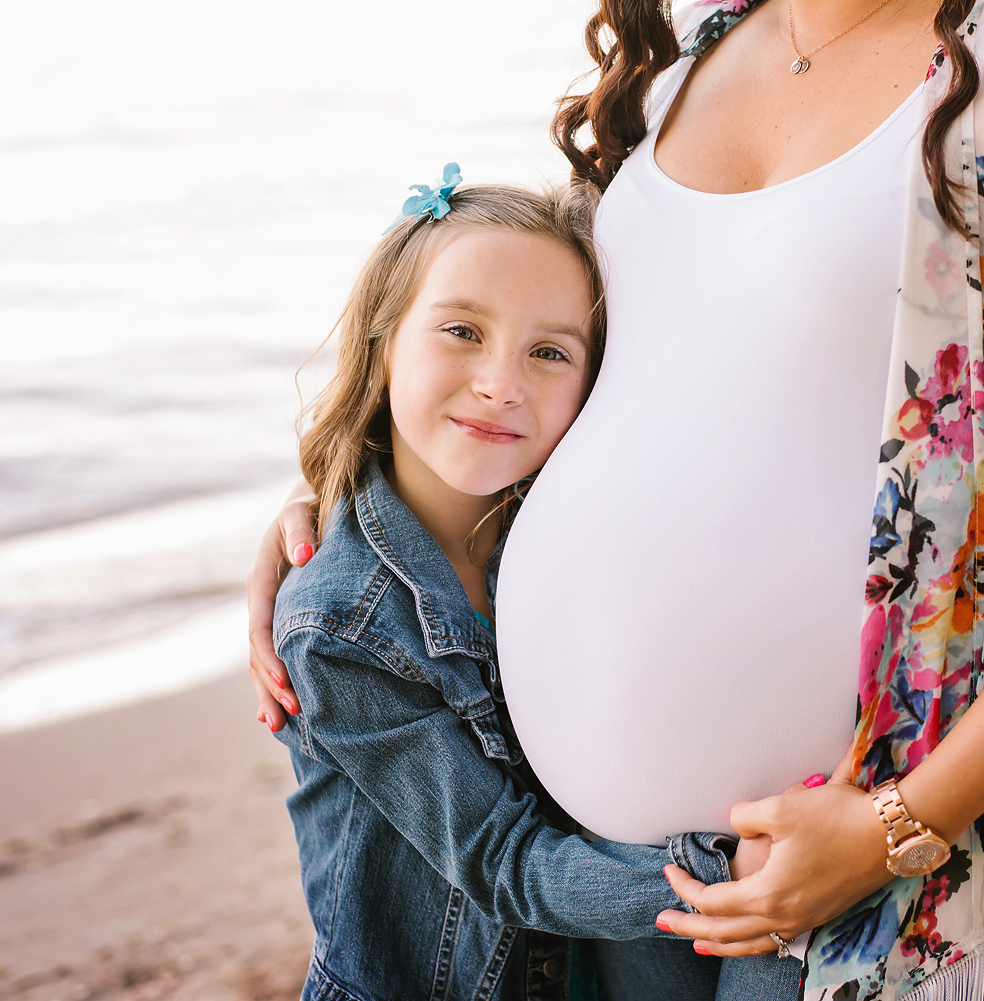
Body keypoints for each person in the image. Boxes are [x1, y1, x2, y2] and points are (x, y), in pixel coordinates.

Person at [249, 0, 984, 997]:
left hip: (870, 841)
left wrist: (898, 821)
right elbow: (570, 339)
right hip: (599, 880)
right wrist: (352, 485)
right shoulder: (690, 52)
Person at [261, 175, 792, 1001]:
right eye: (463, 331)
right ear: (382, 342)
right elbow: (500, 861)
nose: (501, 383)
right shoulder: (340, 626)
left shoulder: (563, 532)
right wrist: (718, 868)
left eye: (549, 352)